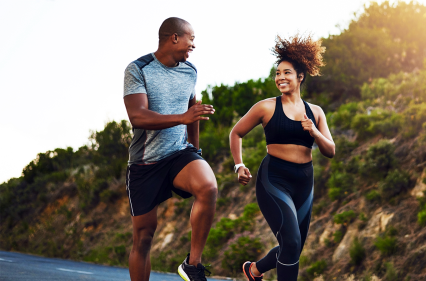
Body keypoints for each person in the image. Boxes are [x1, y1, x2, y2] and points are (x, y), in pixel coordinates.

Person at [229, 34, 335, 281]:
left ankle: (254, 270)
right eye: (277, 73)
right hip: (274, 178)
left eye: (286, 73)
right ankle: (255, 271)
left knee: (293, 246)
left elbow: (330, 150)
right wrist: (239, 164)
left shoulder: (316, 112)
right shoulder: (266, 107)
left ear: (300, 77)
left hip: (304, 182)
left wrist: (315, 132)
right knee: (291, 240)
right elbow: (237, 132)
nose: (280, 78)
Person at [123, 17, 217, 281]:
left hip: (178, 154)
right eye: (192, 38)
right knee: (143, 237)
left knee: (208, 186)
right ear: (174, 37)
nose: (194, 45)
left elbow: (192, 112)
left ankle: (193, 264)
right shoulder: (138, 69)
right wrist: (181, 118)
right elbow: (138, 116)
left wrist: (195, 151)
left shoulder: (190, 71)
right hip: (145, 164)